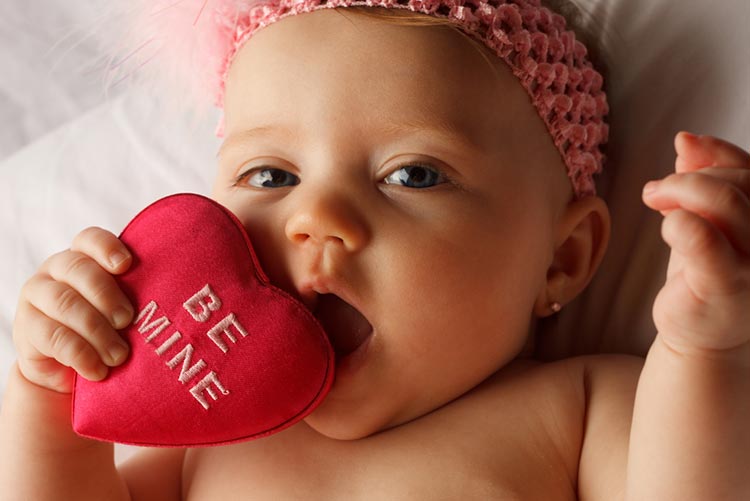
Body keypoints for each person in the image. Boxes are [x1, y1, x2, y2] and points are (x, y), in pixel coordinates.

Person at [1, 0, 749, 499]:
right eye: (271, 174)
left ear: (563, 259)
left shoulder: (580, 411)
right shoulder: (208, 436)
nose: (315, 216)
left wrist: (701, 350)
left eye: (413, 175)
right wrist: (52, 393)